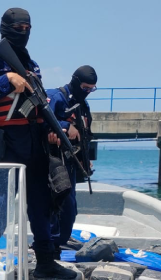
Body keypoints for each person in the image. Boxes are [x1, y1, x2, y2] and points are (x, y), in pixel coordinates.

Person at [0, 7, 76, 279]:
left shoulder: (31, 64)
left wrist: (54, 130)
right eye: (18, 29)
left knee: (41, 205)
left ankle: (46, 261)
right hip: (3, 145)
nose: (23, 33)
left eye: (27, 29)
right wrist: (6, 80)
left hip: (34, 145)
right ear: (5, 28)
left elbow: (38, 106)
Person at [47, 66, 97, 255]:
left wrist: (85, 159)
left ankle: (57, 246)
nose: (88, 92)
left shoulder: (83, 105)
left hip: (72, 162)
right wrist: (65, 126)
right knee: (59, 207)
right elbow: (40, 119)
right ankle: (49, 248)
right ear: (76, 82)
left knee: (71, 209)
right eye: (85, 88)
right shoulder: (56, 97)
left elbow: (85, 135)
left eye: (92, 89)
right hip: (54, 161)